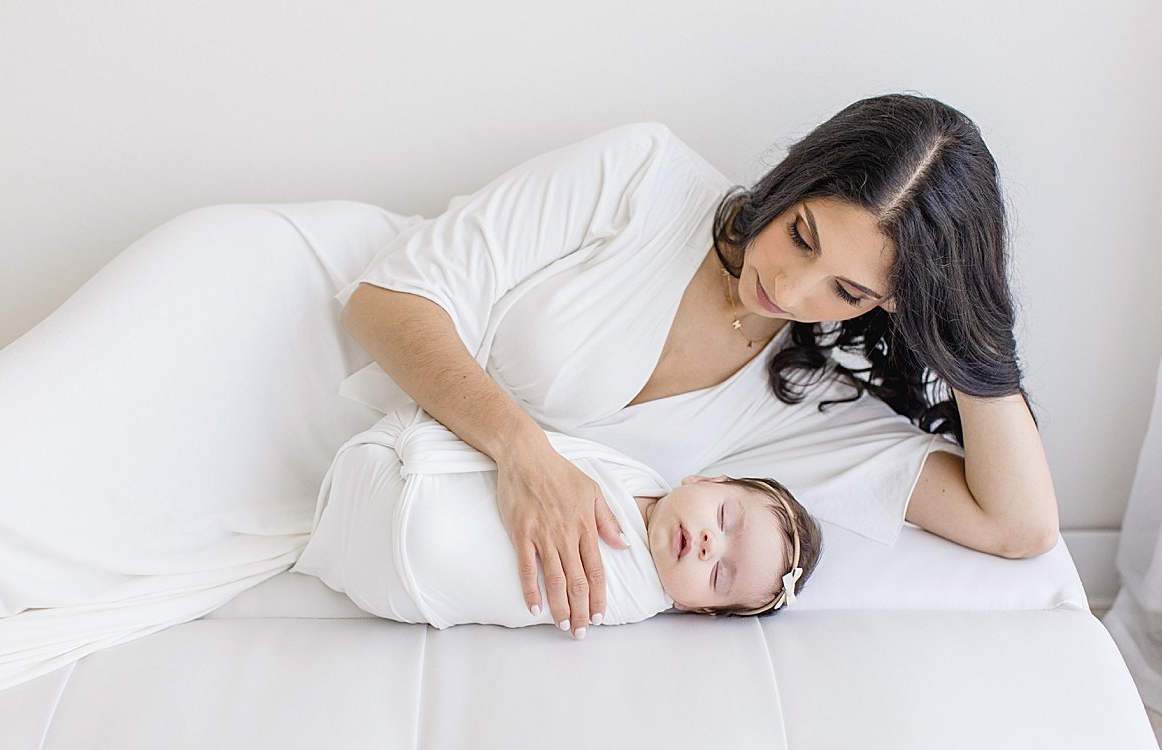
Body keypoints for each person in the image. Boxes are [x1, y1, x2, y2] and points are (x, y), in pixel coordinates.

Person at [337, 94, 1060, 640]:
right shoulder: (642, 177)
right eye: (802, 236)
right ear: (798, 176)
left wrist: (972, 332)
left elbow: (1018, 526)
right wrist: (524, 453)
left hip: (380, 527)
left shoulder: (801, 401)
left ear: (890, 304)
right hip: (314, 390)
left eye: (849, 290)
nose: (792, 288)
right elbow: (384, 304)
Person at [293, 405, 823, 634]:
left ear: (695, 609)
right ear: (707, 480)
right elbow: (547, 453)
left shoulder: (630, 595)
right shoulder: (641, 476)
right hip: (395, 473)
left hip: (397, 569)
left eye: (719, 575)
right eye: (727, 519)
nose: (711, 544)